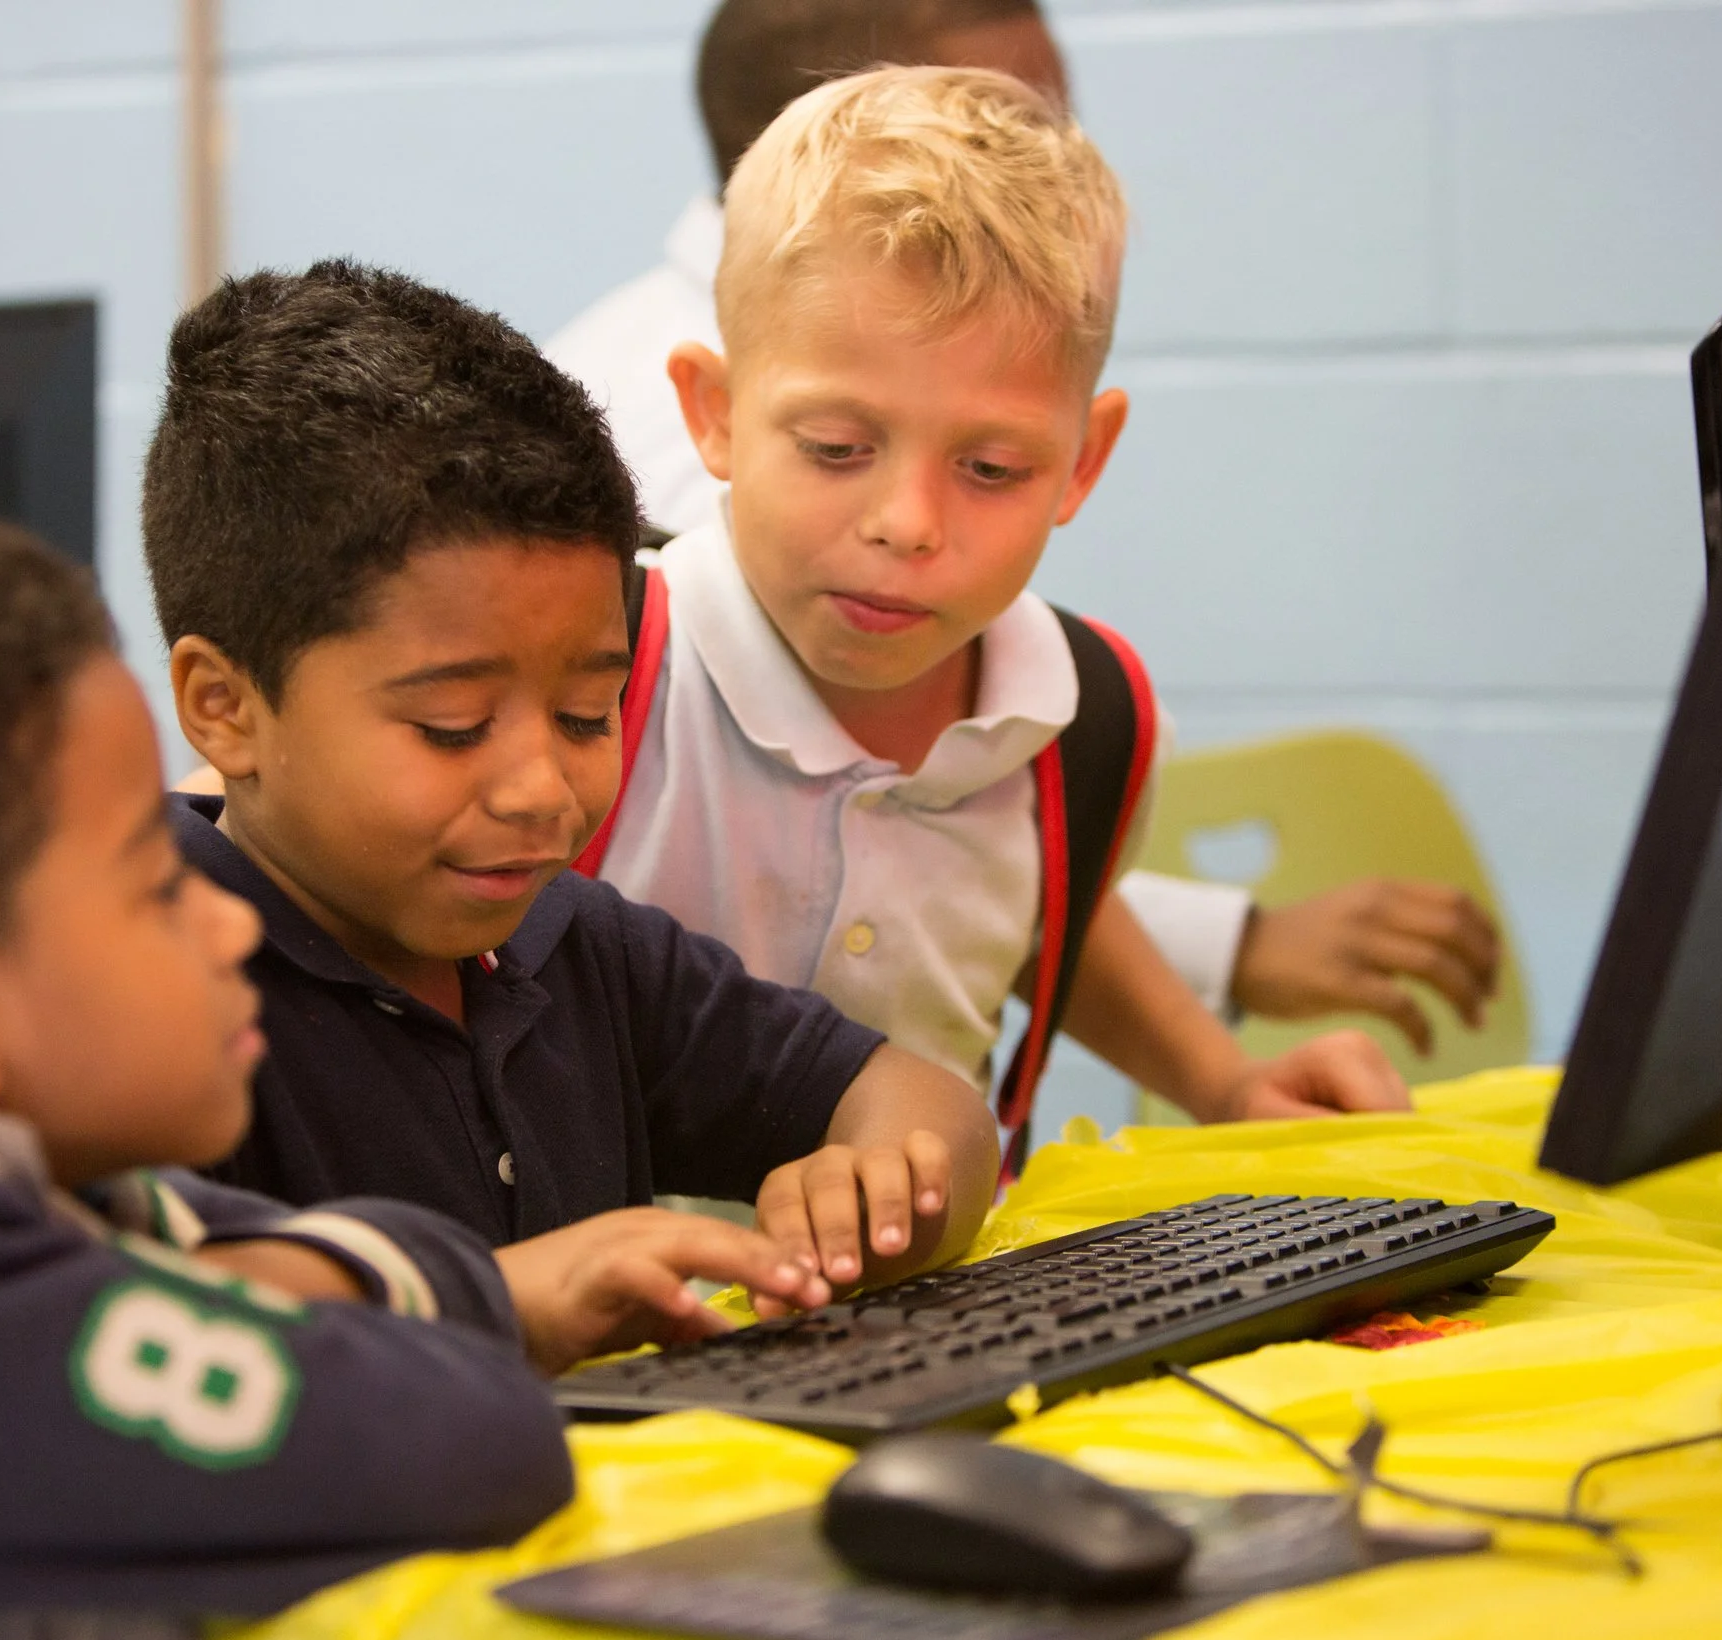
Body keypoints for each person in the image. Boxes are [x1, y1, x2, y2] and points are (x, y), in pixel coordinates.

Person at [0, 502, 838, 1640]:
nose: (225, 922)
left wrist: (277, 1275)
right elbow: (482, 1442)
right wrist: (361, 1284)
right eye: (148, 883)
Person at [546, 0, 1503, 1053]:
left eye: (992, 469)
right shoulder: (595, 569)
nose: (908, 525)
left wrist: (1221, 1077)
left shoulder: (1077, 705)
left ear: (1080, 463)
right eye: (833, 449)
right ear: (715, 416)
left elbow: (994, 883)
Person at [148, 262, 999, 1298]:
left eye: (586, 713)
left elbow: (926, 1104)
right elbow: (129, 1325)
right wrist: (505, 1303)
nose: (541, 789)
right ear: (222, 705)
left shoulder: (571, 948)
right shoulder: (145, 990)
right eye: (452, 726)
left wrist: (884, 1188)